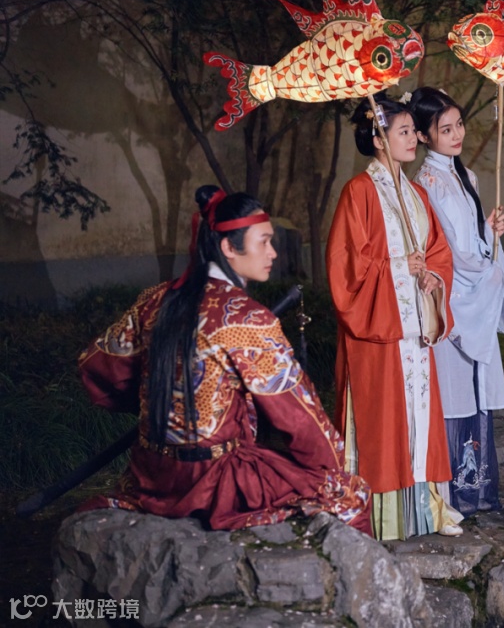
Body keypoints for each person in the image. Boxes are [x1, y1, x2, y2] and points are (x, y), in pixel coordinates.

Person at [79, 186, 371, 534]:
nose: (273, 253)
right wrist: (335, 467)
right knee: (349, 495)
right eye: (264, 241)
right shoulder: (246, 318)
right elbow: (299, 418)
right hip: (211, 480)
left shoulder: (155, 300)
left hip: (150, 475)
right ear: (229, 248)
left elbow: (96, 366)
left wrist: (159, 406)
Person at [326, 93, 463, 540]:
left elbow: (438, 251)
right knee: (382, 424)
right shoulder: (358, 193)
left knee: (420, 421)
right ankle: (379, 518)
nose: (413, 139)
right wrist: (399, 269)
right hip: (379, 330)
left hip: (414, 329)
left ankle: (425, 512)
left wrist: (431, 278)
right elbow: (347, 267)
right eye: (403, 132)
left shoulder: (416, 193)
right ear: (378, 139)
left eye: (411, 132)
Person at [409, 87, 504, 516]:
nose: (457, 135)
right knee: (456, 392)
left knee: (476, 391)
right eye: (445, 129)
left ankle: (477, 489)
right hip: (455, 297)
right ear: (424, 136)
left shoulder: (467, 176)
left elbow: (471, 243)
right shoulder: (427, 184)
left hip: (474, 289)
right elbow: (450, 253)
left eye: (459, 125)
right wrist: (484, 264)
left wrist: (489, 232)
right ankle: (454, 492)